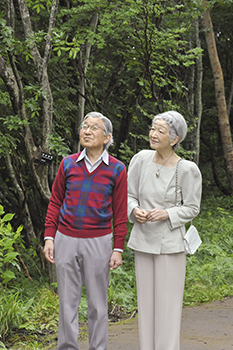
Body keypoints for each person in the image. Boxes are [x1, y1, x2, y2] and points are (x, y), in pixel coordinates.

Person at [43, 111, 128, 350]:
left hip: (99, 241)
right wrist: (50, 237)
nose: (87, 131)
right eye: (84, 126)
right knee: (67, 303)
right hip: (65, 238)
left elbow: (120, 212)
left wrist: (118, 248)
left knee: (98, 305)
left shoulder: (117, 169)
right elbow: (55, 202)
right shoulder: (68, 163)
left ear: (106, 137)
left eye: (94, 128)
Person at [127, 110, 202, 350]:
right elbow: (128, 196)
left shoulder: (187, 169)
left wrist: (167, 213)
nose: (154, 134)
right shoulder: (140, 159)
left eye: (161, 131)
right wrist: (134, 210)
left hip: (170, 245)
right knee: (146, 305)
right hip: (143, 240)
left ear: (175, 139)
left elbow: (192, 208)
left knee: (168, 306)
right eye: (152, 129)